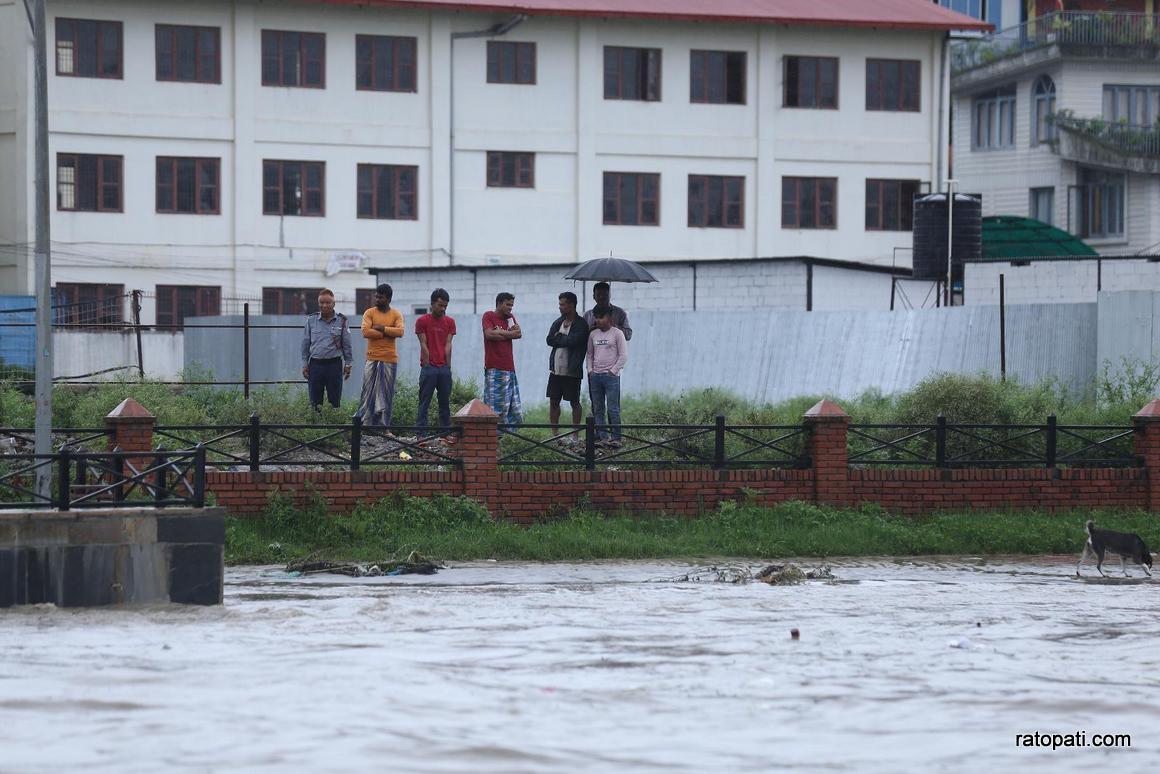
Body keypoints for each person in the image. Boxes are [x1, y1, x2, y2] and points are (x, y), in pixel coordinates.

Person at [357, 283, 404, 428]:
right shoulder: (369, 313)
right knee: (368, 392)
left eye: (380, 297)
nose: (377, 299)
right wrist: (388, 333)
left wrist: (382, 328)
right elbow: (365, 332)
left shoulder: (396, 314)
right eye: (376, 296)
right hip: (372, 358)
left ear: (388, 299)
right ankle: (365, 424)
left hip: (389, 359)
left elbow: (400, 332)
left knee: (386, 394)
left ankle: (384, 427)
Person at [299, 288, 353, 410]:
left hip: (334, 365)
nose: (324, 305)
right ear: (318, 304)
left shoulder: (342, 321)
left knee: (334, 402)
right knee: (315, 402)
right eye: (322, 303)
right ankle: (315, 428)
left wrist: (348, 364)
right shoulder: (311, 320)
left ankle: (333, 427)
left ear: (334, 304)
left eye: (328, 302)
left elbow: (347, 344)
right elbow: (305, 345)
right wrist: (304, 365)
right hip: (315, 365)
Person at [545, 291, 588, 441]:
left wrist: (560, 338)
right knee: (554, 400)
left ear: (571, 305)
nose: (560, 307)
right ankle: (555, 434)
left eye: (563, 304)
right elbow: (549, 340)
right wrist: (562, 339)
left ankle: (575, 434)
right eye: (560, 304)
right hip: (555, 370)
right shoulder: (558, 322)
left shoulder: (581, 324)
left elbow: (574, 341)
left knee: (574, 401)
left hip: (572, 371)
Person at [415, 288, 456, 441]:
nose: (443, 309)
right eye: (440, 305)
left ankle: (444, 433)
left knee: (445, 402)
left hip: (443, 368)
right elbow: (423, 343)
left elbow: (448, 344)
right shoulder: (422, 321)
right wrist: (427, 364)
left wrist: (448, 367)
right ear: (432, 304)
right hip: (429, 368)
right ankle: (420, 434)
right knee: (424, 401)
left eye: (445, 306)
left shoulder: (450, 322)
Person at [586, 305, 628, 448]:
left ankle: (616, 438)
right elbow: (590, 354)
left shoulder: (617, 334)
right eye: (596, 317)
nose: (598, 320)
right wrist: (590, 370)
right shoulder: (593, 335)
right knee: (598, 409)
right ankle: (603, 437)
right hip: (596, 376)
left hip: (611, 377)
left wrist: (613, 371)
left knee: (613, 408)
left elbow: (623, 355)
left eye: (601, 317)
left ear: (609, 318)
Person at [481, 292, 522, 427]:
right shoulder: (489, 316)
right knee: (494, 404)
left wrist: (499, 332)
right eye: (507, 304)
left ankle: (509, 436)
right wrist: (508, 334)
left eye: (512, 305)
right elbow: (489, 335)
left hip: (509, 368)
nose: (510, 308)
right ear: (499, 303)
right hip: (494, 367)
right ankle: (493, 435)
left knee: (511, 406)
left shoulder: (510, 318)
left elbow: (518, 334)